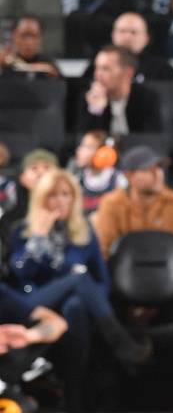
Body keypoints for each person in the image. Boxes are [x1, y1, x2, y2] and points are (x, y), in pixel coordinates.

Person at [8, 167, 151, 395]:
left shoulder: (84, 232)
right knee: (78, 277)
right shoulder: (22, 230)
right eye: (53, 195)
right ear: (41, 199)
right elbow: (21, 270)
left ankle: (74, 394)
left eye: (66, 194)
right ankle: (120, 341)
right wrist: (38, 236)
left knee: (75, 306)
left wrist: (90, 298)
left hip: (73, 304)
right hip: (32, 304)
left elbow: (102, 282)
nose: (60, 201)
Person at [93, 144, 173, 255]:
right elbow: (104, 249)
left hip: (166, 265)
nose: (158, 174)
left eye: (159, 167)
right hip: (123, 265)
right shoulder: (112, 203)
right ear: (130, 176)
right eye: (149, 170)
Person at [75, 46, 165, 142]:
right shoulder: (91, 97)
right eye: (97, 68)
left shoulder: (146, 98)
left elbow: (152, 139)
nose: (97, 75)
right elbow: (84, 143)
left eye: (106, 69)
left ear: (128, 73)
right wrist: (96, 111)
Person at [67, 130, 126, 216]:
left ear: (104, 153)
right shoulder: (76, 181)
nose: (79, 150)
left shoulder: (119, 181)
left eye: (87, 147)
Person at [0, 15, 59, 79]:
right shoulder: (5, 63)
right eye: (23, 36)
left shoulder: (48, 66)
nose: (29, 42)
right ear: (14, 36)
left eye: (33, 36)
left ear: (40, 37)